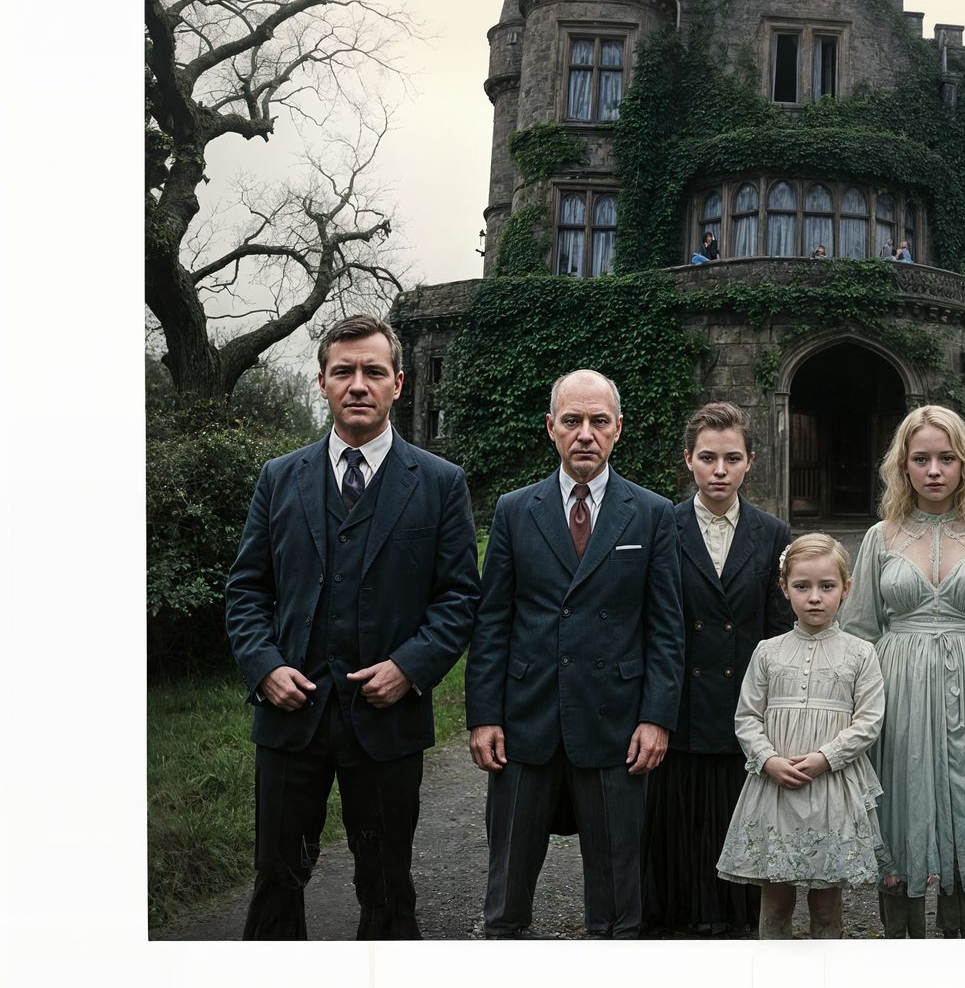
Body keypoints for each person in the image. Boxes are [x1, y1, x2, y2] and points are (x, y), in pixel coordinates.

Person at [224, 313, 480, 940]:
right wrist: (264, 666)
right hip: (291, 719)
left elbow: (458, 599)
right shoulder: (279, 477)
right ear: (322, 383)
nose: (358, 384)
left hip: (386, 724)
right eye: (344, 372)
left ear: (400, 382)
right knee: (276, 883)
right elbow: (246, 589)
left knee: (388, 887)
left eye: (373, 371)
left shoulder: (441, 484)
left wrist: (410, 667)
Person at [466, 369, 684, 939]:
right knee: (507, 889)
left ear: (617, 430)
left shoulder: (653, 513)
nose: (585, 433)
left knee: (617, 896)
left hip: (616, 723)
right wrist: (484, 715)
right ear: (551, 429)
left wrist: (656, 718)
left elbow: (666, 627)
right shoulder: (516, 510)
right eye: (572, 421)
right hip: (524, 720)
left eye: (598, 421)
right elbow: (493, 622)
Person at [840, 404, 965, 937]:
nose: (934, 470)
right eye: (921, 459)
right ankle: (900, 941)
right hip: (898, 697)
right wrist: (853, 717)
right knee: (898, 812)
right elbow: (860, 632)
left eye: (946, 458)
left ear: (964, 465)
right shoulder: (881, 537)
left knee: (962, 810)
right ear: (902, 466)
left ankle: (960, 944)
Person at [640, 402, 792, 937]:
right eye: (708, 458)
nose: (719, 470)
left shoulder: (774, 535)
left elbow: (779, 633)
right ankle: (675, 926)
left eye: (732, 458)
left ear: (751, 462)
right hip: (680, 704)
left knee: (738, 822)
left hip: (744, 707)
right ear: (689, 461)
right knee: (677, 829)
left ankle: (738, 928)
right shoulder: (662, 525)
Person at [718, 535, 888, 939]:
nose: (815, 598)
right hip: (775, 790)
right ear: (784, 589)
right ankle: (773, 983)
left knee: (827, 904)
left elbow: (869, 721)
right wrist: (769, 760)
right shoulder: (767, 652)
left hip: (830, 789)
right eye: (802, 586)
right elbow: (747, 717)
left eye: (827, 587)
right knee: (775, 901)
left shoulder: (860, 654)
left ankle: (824, 986)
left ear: (845, 589)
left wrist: (825, 757)